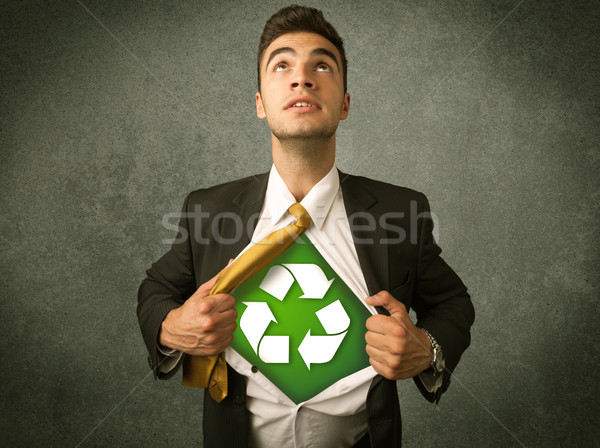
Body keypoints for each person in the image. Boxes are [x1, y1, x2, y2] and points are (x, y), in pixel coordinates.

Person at [137, 5, 474, 448]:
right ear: (260, 103)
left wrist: (426, 349)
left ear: (345, 104)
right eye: (282, 65)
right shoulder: (209, 209)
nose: (302, 78)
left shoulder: (401, 211)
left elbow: (452, 302)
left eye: (321, 65)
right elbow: (155, 291)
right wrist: (170, 327)